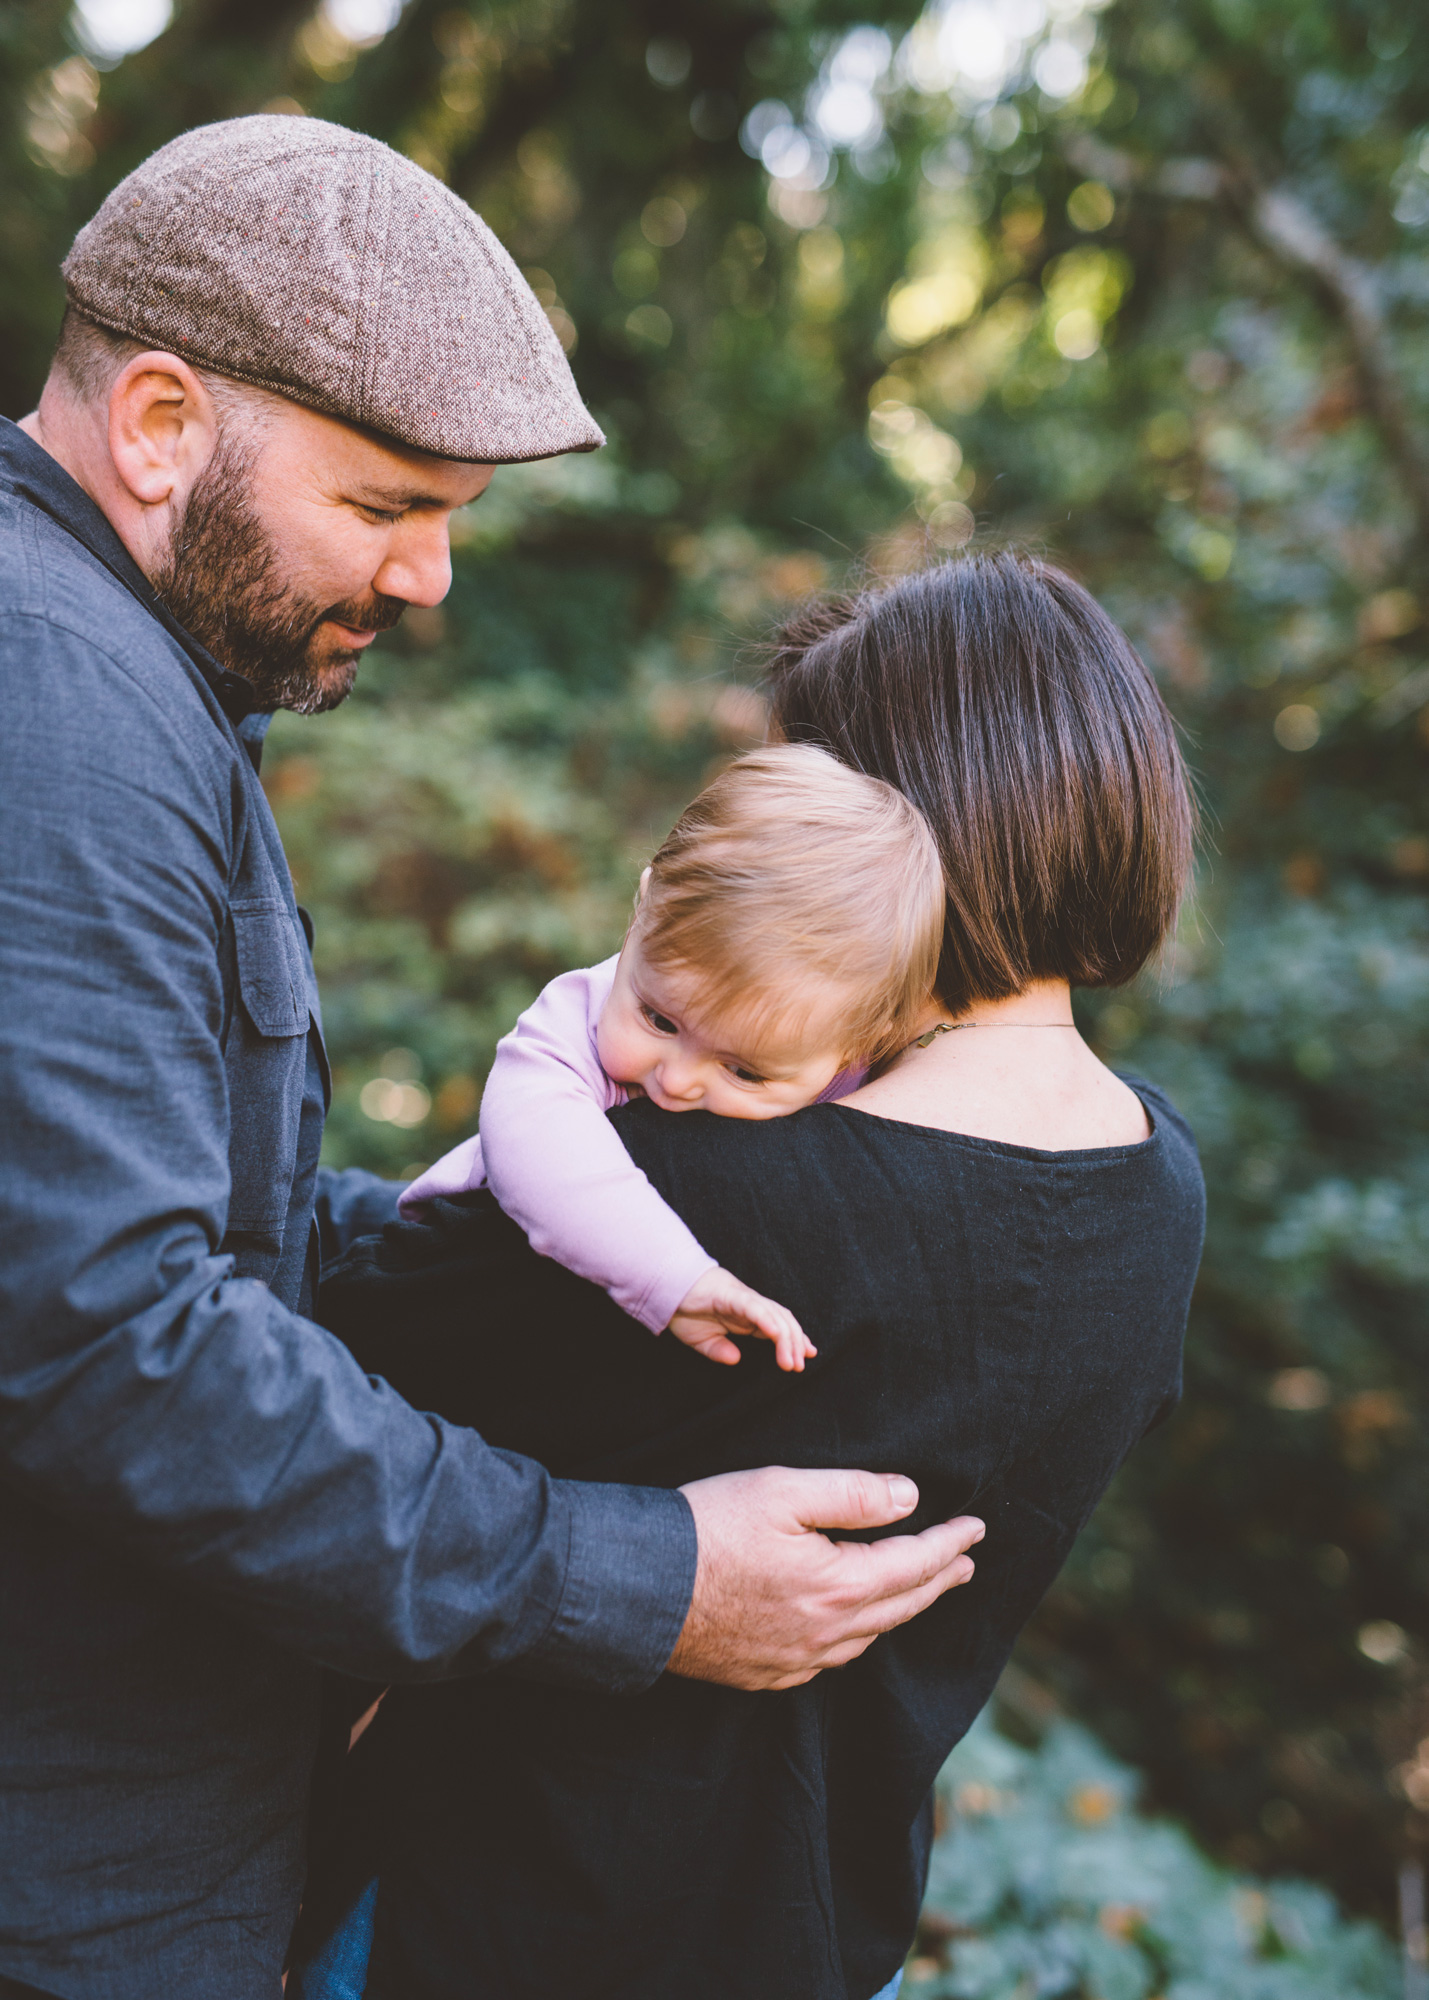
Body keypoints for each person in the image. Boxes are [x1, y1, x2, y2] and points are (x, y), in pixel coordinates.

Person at [0, 116, 982, 2000]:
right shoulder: (62, 711)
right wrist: (640, 1578)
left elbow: (177, 1233)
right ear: (155, 424)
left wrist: (515, 1244)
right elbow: (106, 1340)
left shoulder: (119, 674)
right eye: (384, 507)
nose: (435, 577)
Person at [289, 551, 1207, 2000]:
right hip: (823, 1936)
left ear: (882, 847)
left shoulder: (721, 1187)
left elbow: (334, 1333)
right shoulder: (1155, 1186)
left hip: (515, 1920)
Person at [404, 743, 946, 1369]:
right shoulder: (574, 1018)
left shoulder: (860, 1072)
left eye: (743, 1071)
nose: (679, 1080)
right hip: (456, 1277)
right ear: (640, 917)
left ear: (858, 1049)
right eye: (659, 1020)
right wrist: (672, 1276)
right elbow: (541, 1150)